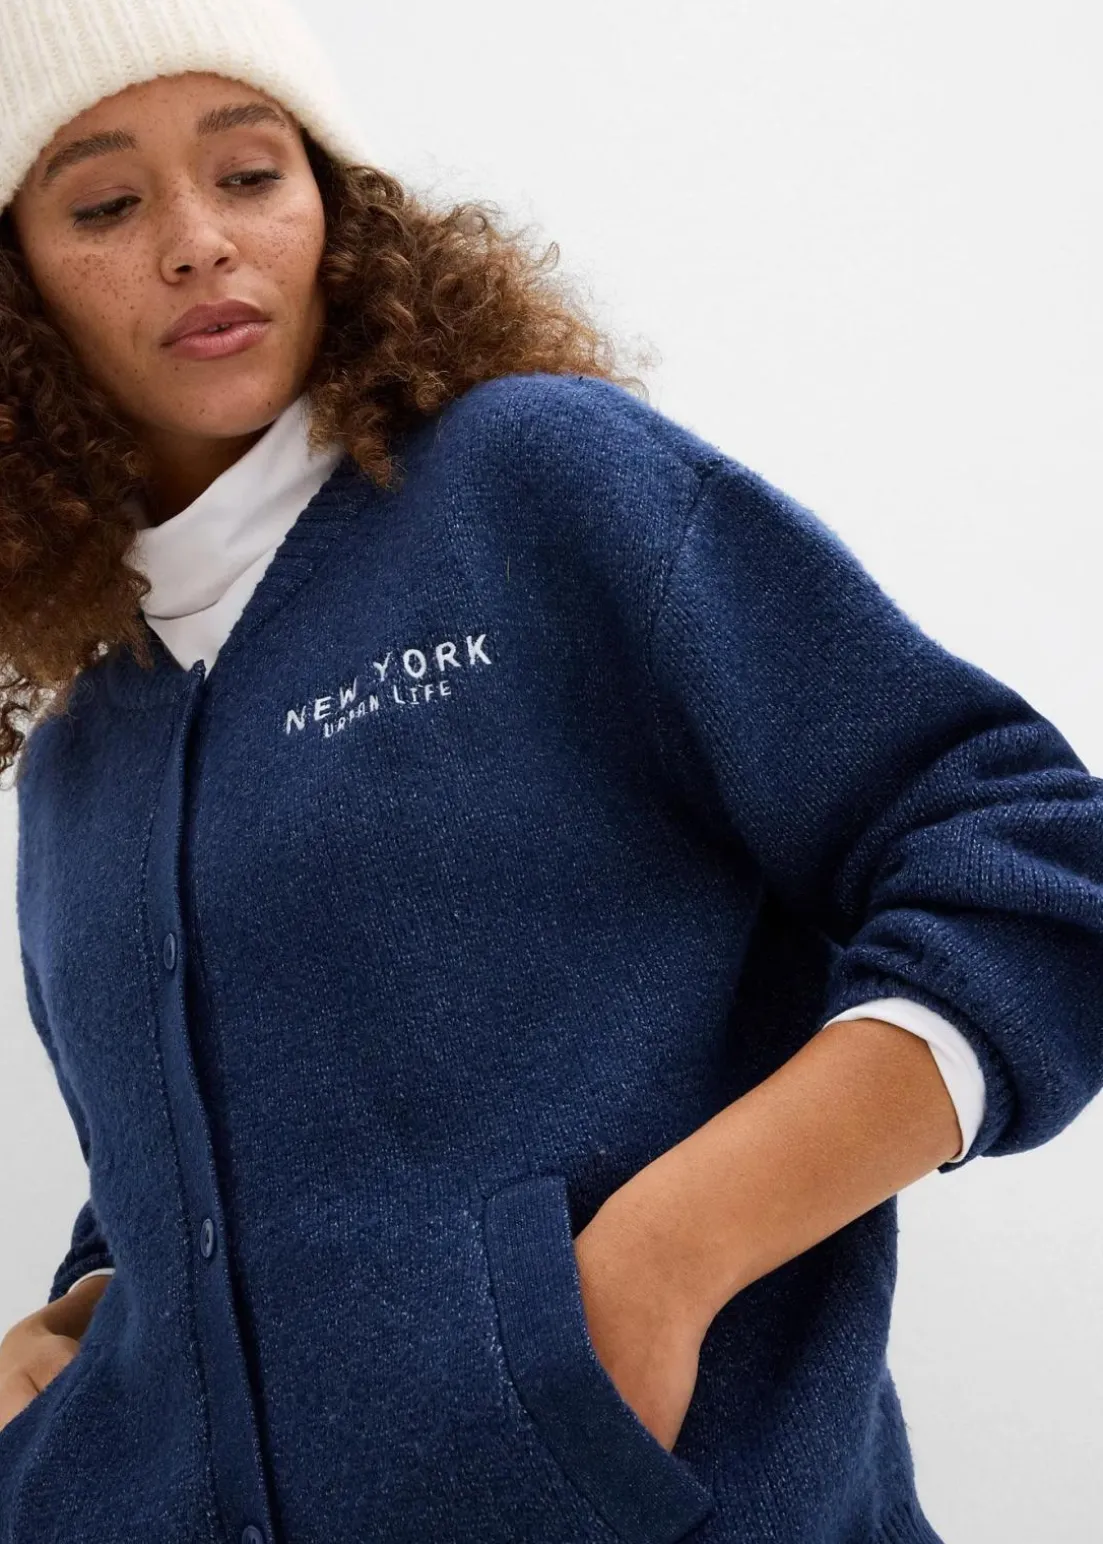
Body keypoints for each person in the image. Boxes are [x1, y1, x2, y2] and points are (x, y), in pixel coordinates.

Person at [0, 1, 1101, 1541]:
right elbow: (222, 1146)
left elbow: (1037, 866)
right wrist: (91, 1311)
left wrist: (665, 1259)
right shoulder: (80, 753)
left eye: (250, 174)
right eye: (106, 205)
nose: (198, 241)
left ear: (339, 208)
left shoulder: (535, 492)